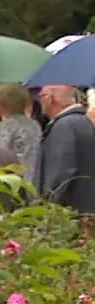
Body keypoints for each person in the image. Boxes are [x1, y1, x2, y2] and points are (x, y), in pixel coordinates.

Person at [38, 84, 95, 214]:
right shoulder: (82, 121)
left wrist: (48, 207)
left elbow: (60, 173)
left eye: (41, 95)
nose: (40, 100)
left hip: (69, 213)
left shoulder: (64, 126)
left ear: (50, 98)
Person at [0, 83, 44, 184]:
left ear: (3, 103)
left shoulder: (6, 126)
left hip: (13, 179)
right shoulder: (34, 124)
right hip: (35, 177)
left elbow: (0, 156)